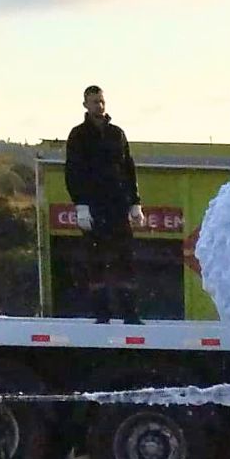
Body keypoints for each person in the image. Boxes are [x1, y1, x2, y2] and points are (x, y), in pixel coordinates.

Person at [65, 84, 145, 324]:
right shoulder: (78, 135)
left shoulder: (117, 134)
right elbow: (73, 171)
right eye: (94, 102)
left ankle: (130, 313)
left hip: (118, 206)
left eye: (101, 101)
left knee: (125, 260)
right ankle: (101, 313)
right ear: (85, 105)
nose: (99, 106)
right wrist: (80, 205)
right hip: (93, 208)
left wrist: (135, 203)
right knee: (96, 260)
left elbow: (128, 169)